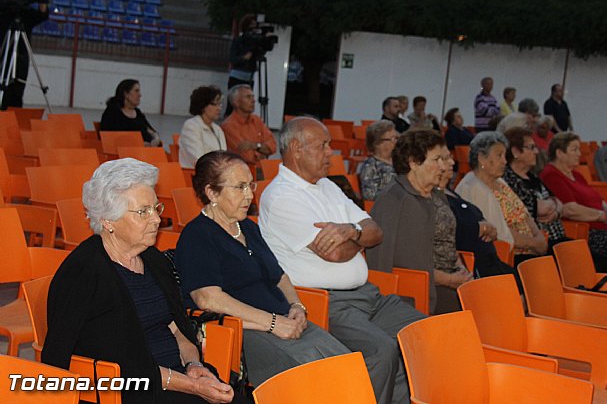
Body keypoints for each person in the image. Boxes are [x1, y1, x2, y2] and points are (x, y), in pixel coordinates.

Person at [259, 117, 425, 404]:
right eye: (322, 146)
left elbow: (376, 231)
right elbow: (333, 254)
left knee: (425, 333)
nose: (330, 153)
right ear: (297, 148)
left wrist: (351, 231)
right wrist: (358, 236)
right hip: (325, 302)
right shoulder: (280, 197)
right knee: (380, 351)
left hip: (367, 294)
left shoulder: (327, 186)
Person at [42, 158, 234, 404]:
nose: (156, 220)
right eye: (143, 212)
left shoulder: (152, 259)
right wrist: (192, 386)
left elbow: (176, 325)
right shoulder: (84, 273)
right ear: (108, 220)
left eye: (156, 208)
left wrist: (194, 364)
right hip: (127, 391)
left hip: (176, 377)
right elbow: (118, 365)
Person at [174, 151, 350, 387]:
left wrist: (297, 306)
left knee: (347, 364)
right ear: (211, 192)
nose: (249, 195)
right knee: (318, 378)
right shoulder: (198, 235)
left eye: (250, 185)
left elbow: (279, 275)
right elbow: (208, 299)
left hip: (283, 321)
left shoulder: (248, 227)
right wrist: (274, 323)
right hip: (243, 332)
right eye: (239, 187)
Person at [366, 129, 473, 315]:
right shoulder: (394, 199)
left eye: (443, 159)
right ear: (414, 163)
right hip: (417, 292)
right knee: (476, 311)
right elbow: (382, 263)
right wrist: (450, 279)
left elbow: (447, 240)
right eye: (436, 160)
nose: (443, 166)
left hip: (447, 279)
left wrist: (460, 269)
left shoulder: (436, 194)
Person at [455, 131, 548, 265]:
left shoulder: (499, 181)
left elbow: (525, 214)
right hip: (509, 257)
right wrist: (535, 243)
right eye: (499, 155)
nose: (505, 161)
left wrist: (539, 237)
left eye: (504, 155)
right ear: (481, 158)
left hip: (531, 249)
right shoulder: (473, 187)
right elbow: (499, 233)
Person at [438, 147, 521, 286]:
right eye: (445, 159)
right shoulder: (437, 197)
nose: (452, 162)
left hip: (490, 259)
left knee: (528, 286)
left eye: (451, 157)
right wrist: (480, 228)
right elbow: (452, 230)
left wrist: (488, 227)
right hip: (475, 265)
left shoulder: (449, 192)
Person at [540, 132, 607, 273]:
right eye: (574, 149)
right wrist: (602, 216)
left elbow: (596, 197)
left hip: (603, 229)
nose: (579, 154)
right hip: (586, 233)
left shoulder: (576, 174)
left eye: (579, 149)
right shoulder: (551, 175)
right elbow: (570, 209)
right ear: (559, 153)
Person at [503, 128, 569, 249]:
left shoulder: (532, 177)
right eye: (531, 147)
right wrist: (552, 205)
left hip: (556, 237)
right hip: (537, 244)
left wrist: (556, 212)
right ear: (515, 152)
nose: (537, 152)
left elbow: (558, 202)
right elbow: (537, 209)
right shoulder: (508, 179)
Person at [0, 0, 48, 109]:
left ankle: (15, 117)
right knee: (4, 87)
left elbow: (41, 15)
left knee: (18, 89)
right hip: (6, 53)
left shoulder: (27, 13)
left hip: (21, 56)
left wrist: (43, 1)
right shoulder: (5, 11)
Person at [221, 84, 276, 168]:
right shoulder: (228, 126)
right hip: (241, 171)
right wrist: (263, 152)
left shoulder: (257, 120)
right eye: (248, 97)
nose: (253, 100)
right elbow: (248, 156)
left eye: (253, 97)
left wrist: (254, 146)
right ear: (236, 102)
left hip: (262, 168)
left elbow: (273, 146)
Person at [100, 79, 161, 147]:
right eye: (136, 91)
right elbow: (108, 138)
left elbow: (151, 130)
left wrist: (156, 138)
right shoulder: (112, 112)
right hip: (124, 153)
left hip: (146, 151)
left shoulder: (138, 113)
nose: (140, 95)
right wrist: (138, 145)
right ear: (126, 94)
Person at [179, 85, 227, 169]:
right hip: (196, 174)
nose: (219, 108)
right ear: (203, 106)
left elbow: (224, 155)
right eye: (215, 104)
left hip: (216, 172)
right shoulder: (191, 126)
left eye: (220, 104)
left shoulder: (218, 129)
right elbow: (198, 159)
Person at [358, 120, 398, 201]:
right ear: (378, 143)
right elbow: (369, 195)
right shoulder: (371, 166)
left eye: (396, 138)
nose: (396, 142)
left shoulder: (400, 161)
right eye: (392, 139)